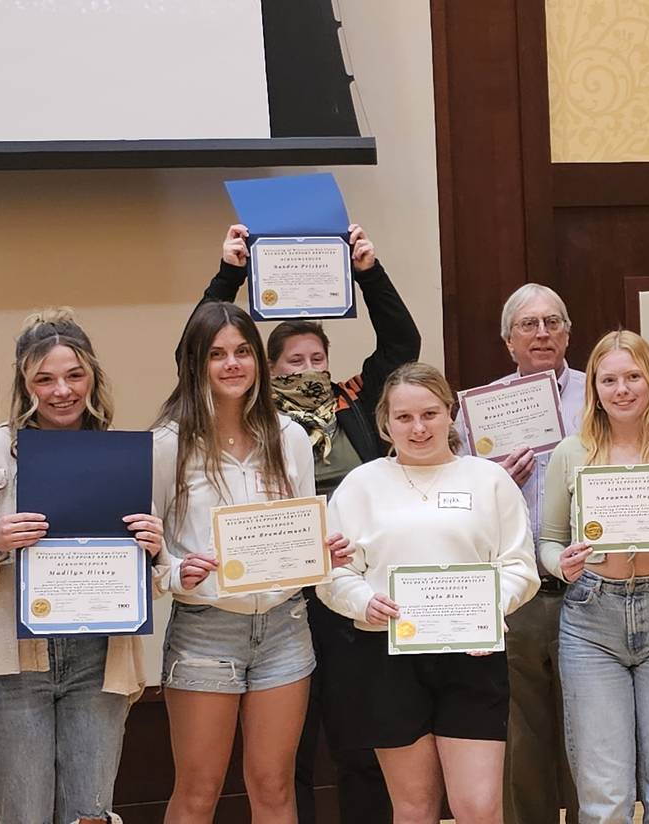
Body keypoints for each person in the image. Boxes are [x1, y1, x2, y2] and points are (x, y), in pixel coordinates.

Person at [206, 221, 416, 822]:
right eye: (293, 359)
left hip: (354, 585)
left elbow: (402, 342)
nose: (307, 366)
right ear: (268, 368)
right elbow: (198, 344)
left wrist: (367, 272)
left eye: (317, 357)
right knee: (287, 752)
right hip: (282, 590)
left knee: (358, 739)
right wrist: (232, 274)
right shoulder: (252, 413)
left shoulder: (352, 401)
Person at [0, 309, 165, 824]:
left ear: (93, 376)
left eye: (74, 375)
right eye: (43, 379)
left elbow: (154, 582)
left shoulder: (125, 455)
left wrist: (155, 551)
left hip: (99, 659)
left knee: (90, 813)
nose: (61, 391)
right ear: (25, 385)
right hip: (11, 662)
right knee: (24, 813)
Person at [152, 301, 353, 823]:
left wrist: (324, 552)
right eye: (216, 354)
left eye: (243, 351)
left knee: (274, 787)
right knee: (198, 791)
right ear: (195, 364)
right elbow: (149, 551)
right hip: (205, 631)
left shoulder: (288, 436)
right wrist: (175, 572)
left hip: (286, 625)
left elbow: (308, 526)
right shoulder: (166, 445)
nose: (233, 364)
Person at [321, 362, 541, 824]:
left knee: (478, 809)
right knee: (414, 807)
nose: (418, 428)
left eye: (430, 414)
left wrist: (488, 608)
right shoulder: (361, 485)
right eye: (404, 417)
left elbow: (519, 566)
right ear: (385, 422)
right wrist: (363, 601)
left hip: (474, 655)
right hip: (386, 657)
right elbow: (333, 574)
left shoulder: (489, 480)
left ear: (450, 413)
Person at [538, 331, 649, 823]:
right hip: (592, 618)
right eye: (608, 379)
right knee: (603, 798)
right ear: (593, 388)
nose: (622, 390)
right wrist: (561, 564)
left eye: (633, 377)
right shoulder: (571, 453)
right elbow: (549, 540)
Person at [460, 284, 583, 822]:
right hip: (517, 596)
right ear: (508, 341)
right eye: (528, 325)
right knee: (522, 740)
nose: (542, 334)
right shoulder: (475, 412)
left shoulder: (602, 392)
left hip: (591, 590)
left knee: (591, 738)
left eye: (553, 322)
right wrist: (490, 481)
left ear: (568, 334)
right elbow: (453, 503)